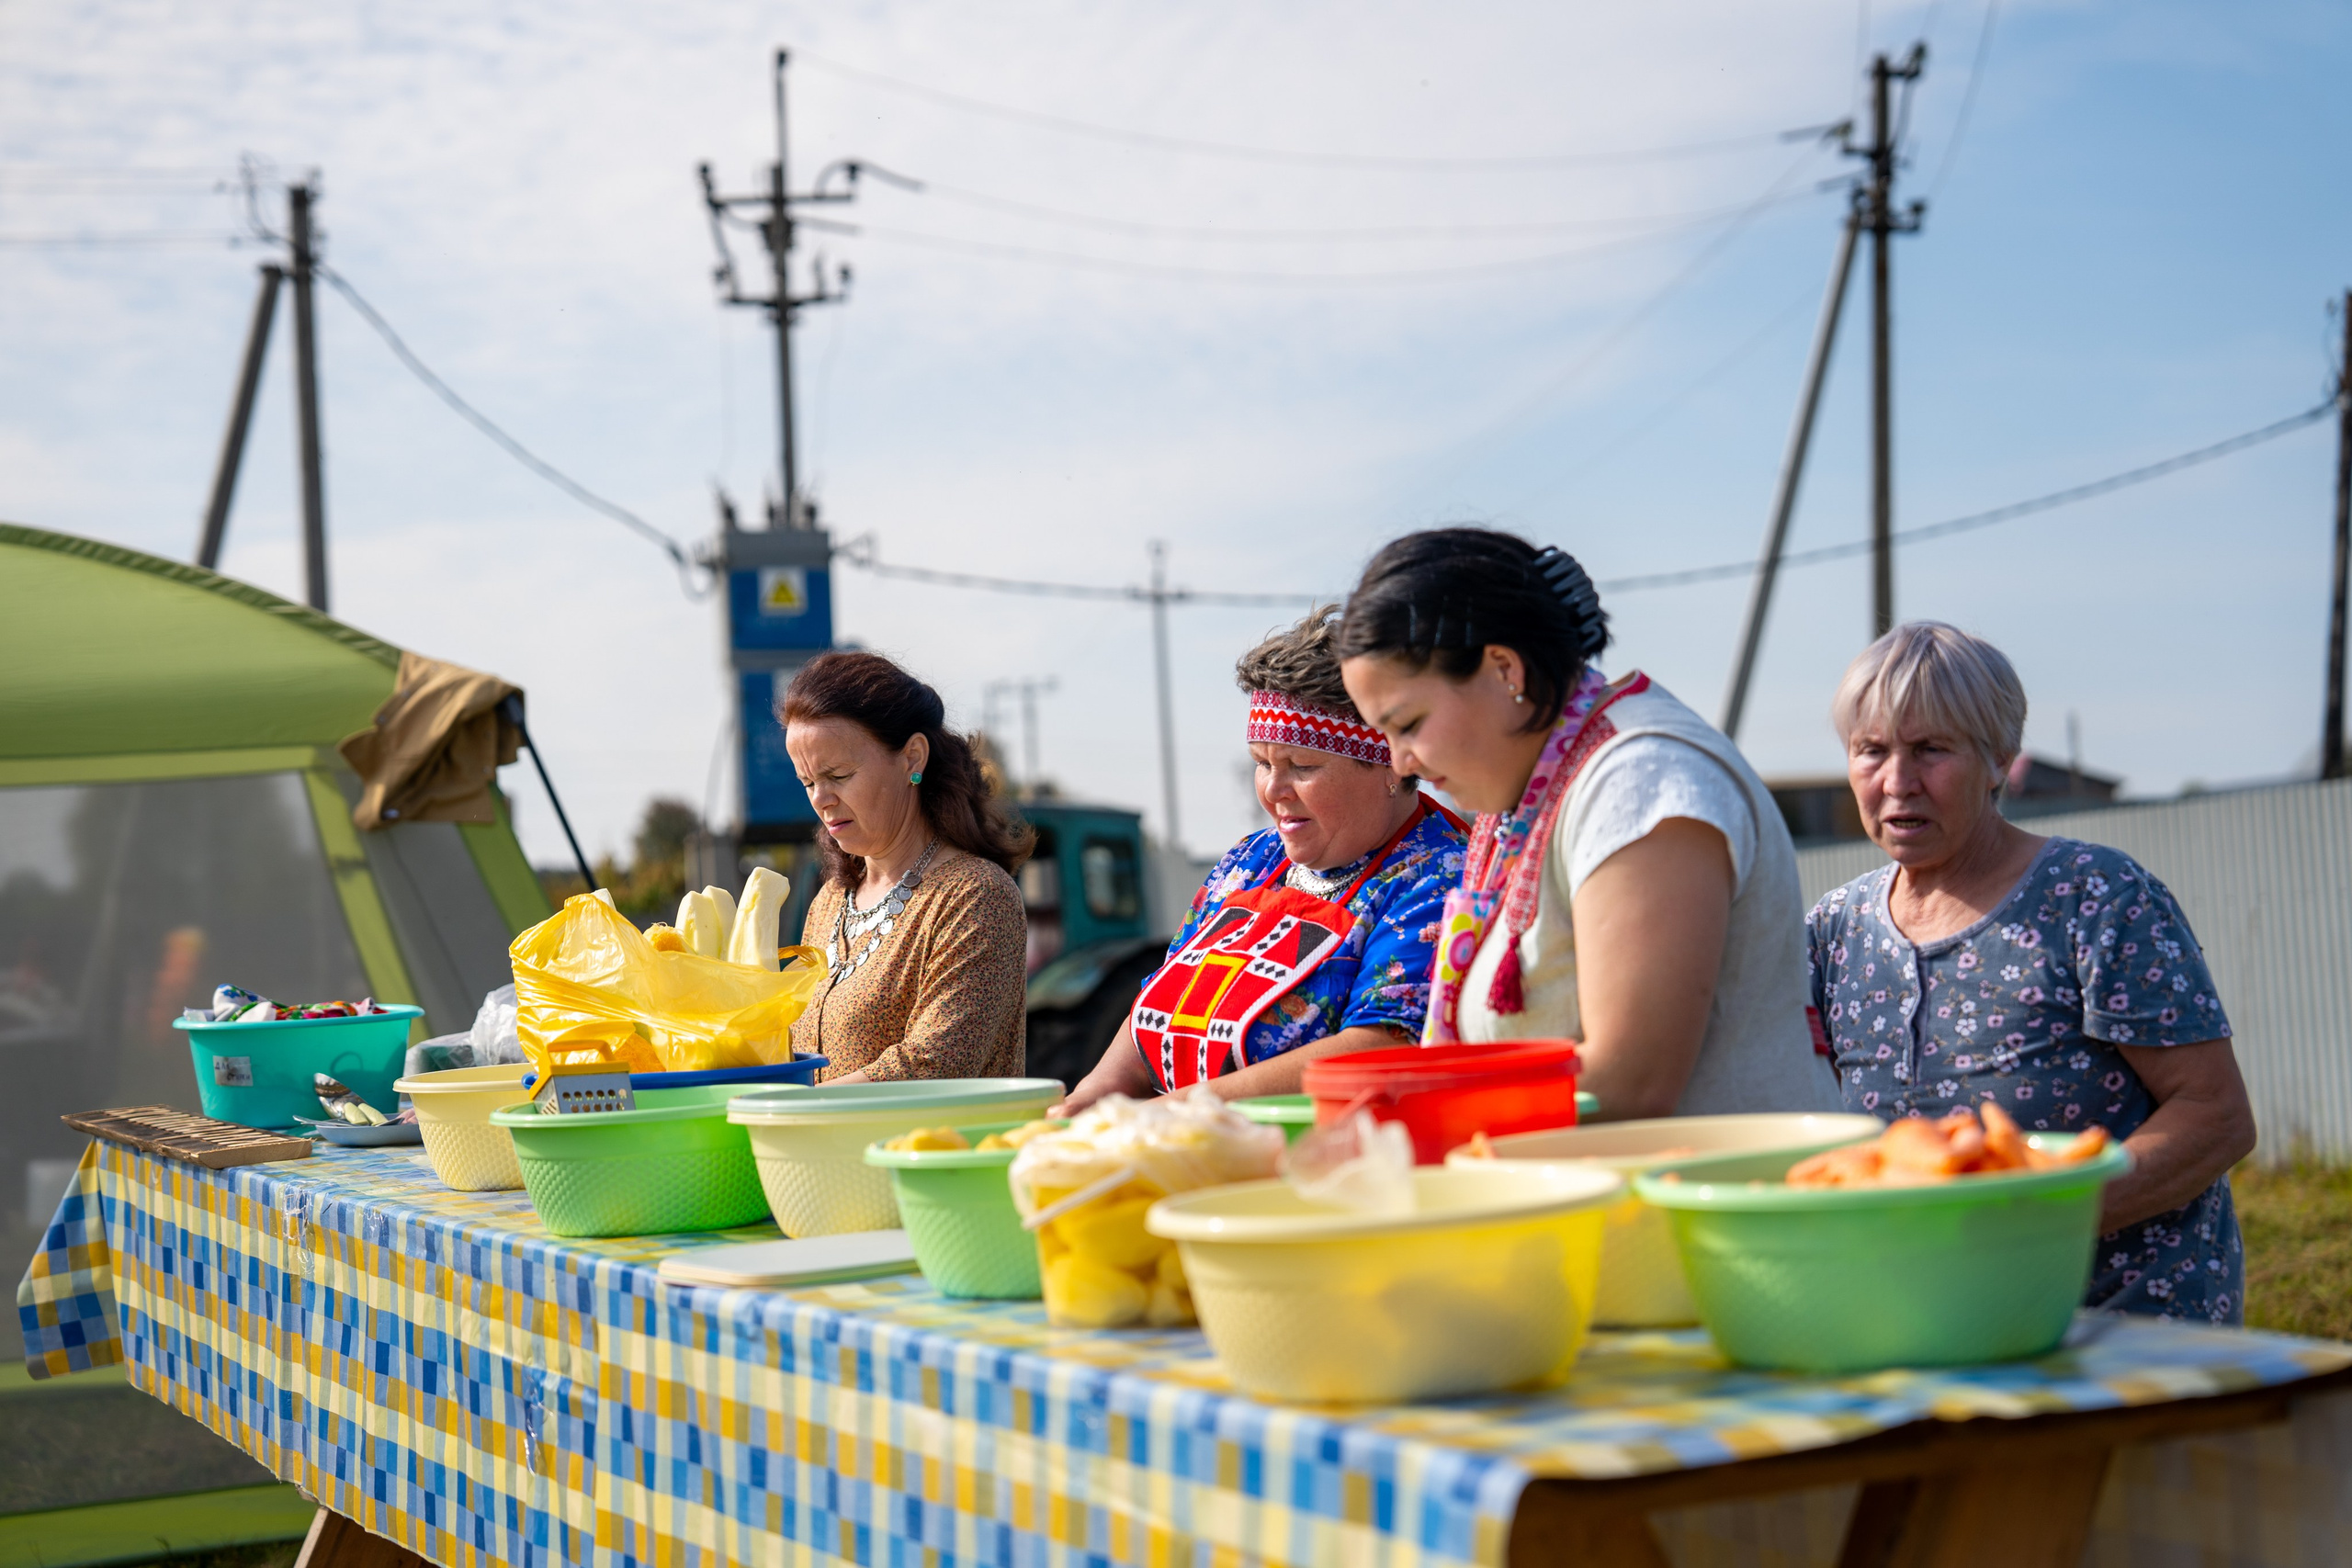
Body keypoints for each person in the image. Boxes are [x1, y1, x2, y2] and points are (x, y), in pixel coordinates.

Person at [1805, 622, 2255, 1322]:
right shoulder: (1835, 930)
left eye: (1930, 749)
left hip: (2121, 1324)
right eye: (1871, 750)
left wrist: (2034, 1225)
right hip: (1929, 1321)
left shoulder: (2097, 897)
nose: (1897, 781)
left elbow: (2216, 1116)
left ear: (1999, 759)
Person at [1336, 526, 1839, 1118]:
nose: (1401, 762)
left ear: (1504, 668)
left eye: (1409, 723)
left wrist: (1405, 1123)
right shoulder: (1529, 796)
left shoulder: (1641, 777)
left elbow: (1627, 1083)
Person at [1057, 608, 1468, 1112]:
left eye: (1303, 766)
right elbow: (1162, 995)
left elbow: (1384, 1046)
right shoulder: (1250, 860)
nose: (1273, 791)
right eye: (1261, 764)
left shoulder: (1439, 875)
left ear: (1390, 763)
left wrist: (1175, 1112)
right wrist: (1096, 1093)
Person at [782, 650, 1034, 1082]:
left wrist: (781, 1107)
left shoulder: (975, 896)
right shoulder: (828, 902)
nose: (820, 798)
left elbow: (933, 1068)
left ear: (913, 757)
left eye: (838, 775)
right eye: (808, 781)